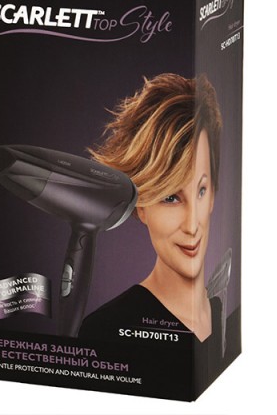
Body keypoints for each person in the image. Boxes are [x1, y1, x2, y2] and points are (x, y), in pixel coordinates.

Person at [79, 73, 224, 352]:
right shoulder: (106, 331)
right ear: (141, 205)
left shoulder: (224, 314)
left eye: (201, 191)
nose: (192, 225)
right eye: (171, 198)